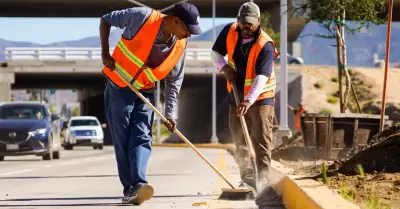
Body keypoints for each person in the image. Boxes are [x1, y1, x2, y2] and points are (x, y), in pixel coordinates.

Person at [99, 3, 202, 205]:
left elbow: (174, 80)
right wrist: (105, 53)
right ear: (175, 20)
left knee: (142, 136)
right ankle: (129, 188)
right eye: (187, 30)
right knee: (123, 138)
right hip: (119, 86)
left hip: (145, 91)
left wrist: (171, 113)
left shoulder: (180, 45)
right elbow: (106, 19)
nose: (188, 35)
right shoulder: (141, 17)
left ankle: (138, 184)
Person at [210, 2, 278, 190]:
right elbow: (215, 53)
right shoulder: (230, 31)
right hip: (236, 93)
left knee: (261, 138)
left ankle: (263, 178)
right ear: (238, 20)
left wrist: (249, 101)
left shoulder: (266, 45)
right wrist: (224, 68)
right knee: (239, 138)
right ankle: (247, 178)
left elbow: (262, 77)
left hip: (261, 96)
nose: (247, 27)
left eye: (251, 23)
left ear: (258, 21)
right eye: (243, 22)